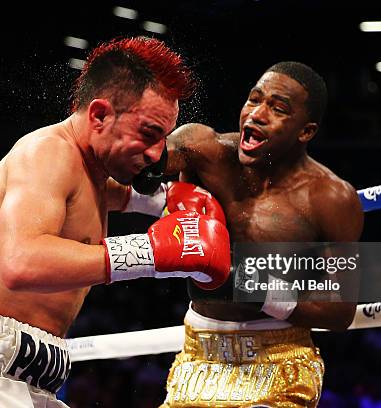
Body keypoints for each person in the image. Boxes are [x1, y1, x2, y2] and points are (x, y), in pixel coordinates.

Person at [0, 37, 231, 408]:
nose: (157, 153)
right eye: (148, 133)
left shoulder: (90, 174)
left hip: (33, 381)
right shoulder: (48, 152)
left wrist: (173, 200)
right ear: (99, 115)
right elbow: (22, 262)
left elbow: (121, 194)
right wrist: (150, 251)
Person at [117, 61, 363, 407]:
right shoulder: (204, 149)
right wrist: (147, 168)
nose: (258, 114)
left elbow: (339, 313)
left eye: (278, 109)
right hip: (198, 359)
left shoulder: (332, 199)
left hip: (278, 363)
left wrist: (250, 287)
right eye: (254, 99)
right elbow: (139, 160)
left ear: (305, 132)